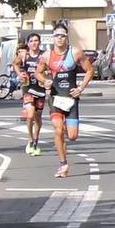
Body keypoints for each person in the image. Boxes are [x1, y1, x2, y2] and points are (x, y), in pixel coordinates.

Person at [43, 26, 89, 177]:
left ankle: (64, 151)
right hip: (55, 98)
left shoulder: (75, 53)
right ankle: (63, 164)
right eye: (57, 36)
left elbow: (90, 70)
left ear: (66, 37)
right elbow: (38, 72)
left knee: (72, 136)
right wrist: (45, 81)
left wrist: (81, 87)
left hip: (71, 99)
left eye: (62, 36)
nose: (60, 38)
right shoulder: (47, 56)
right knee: (57, 130)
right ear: (53, 38)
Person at [16, 30, 48, 155]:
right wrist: (19, 74)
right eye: (31, 41)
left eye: (36, 41)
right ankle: (29, 139)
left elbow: (51, 69)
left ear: (39, 43)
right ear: (28, 44)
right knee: (30, 115)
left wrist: (47, 75)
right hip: (28, 87)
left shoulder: (44, 56)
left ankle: (36, 139)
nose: (34, 43)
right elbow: (15, 64)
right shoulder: (24, 55)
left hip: (40, 88)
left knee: (38, 117)